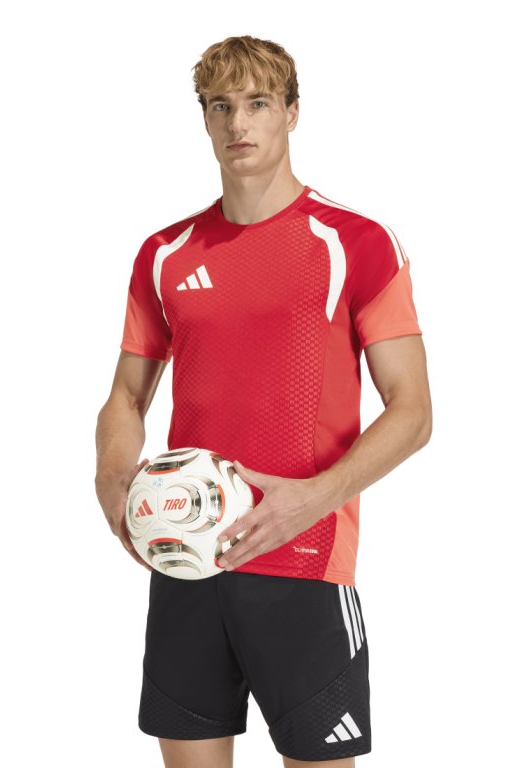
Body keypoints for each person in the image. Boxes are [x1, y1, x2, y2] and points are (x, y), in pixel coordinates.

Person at [95, 35, 432, 768]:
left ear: (292, 113)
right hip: (186, 556)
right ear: (204, 119)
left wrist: (313, 498)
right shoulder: (166, 252)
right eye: (220, 106)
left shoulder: (355, 242)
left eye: (257, 103)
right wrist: (113, 479)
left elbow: (412, 412)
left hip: (302, 562)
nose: (238, 123)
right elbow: (126, 394)